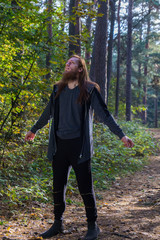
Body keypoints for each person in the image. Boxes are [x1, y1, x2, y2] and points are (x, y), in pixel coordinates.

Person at [25, 55, 134, 240]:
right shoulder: (57, 89)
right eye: (67, 62)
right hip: (59, 146)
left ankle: (93, 226)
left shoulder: (89, 90)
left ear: (80, 69)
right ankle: (58, 223)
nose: (67, 64)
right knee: (58, 186)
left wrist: (121, 135)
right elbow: (47, 113)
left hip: (80, 147)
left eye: (72, 63)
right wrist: (34, 129)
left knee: (85, 188)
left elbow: (105, 115)